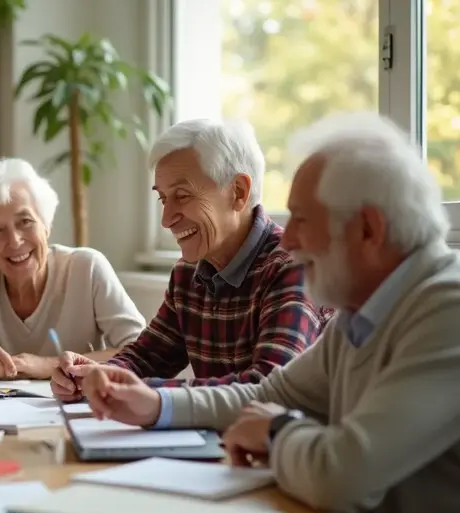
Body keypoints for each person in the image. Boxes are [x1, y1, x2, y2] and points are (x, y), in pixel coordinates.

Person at [80, 112, 460, 513]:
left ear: (368, 229)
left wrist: (277, 430)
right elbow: (269, 393)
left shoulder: (447, 311)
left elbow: (340, 474)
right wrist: (154, 407)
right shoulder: (363, 313)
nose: (290, 238)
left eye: (301, 219)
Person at [52, 118, 331, 401]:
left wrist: (142, 391)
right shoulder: (188, 273)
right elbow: (145, 357)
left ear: (238, 192)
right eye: (163, 199)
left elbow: (268, 387)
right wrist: (98, 376)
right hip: (225, 441)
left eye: (182, 196)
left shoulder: (293, 269)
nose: (166, 220)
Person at [0, 158, 146, 380]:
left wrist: (50, 365)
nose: (14, 241)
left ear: (46, 224)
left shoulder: (87, 267)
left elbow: (142, 351)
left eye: (25, 221)